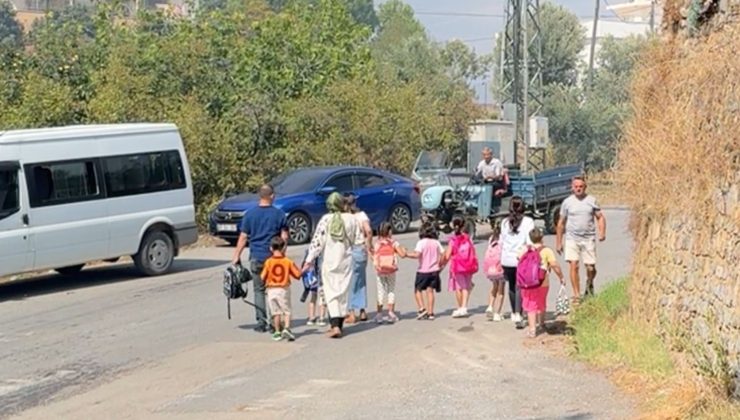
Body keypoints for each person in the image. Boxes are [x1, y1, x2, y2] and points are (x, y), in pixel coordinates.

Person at [231, 184, 289, 333]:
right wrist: (282, 252)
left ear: (260, 196)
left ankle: (261, 322)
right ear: (272, 196)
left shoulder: (250, 214)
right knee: (273, 290)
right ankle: (274, 323)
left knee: (258, 290)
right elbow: (284, 236)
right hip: (273, 259)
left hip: (256, 256)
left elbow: (243, 237)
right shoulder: (279, 214)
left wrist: (236, 256)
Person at [302, 192, 360, 338]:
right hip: (346, 260)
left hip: (329, 261)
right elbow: (358, 240)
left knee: (330, 292)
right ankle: (339, 324)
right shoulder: (352, 219)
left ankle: (334, 325)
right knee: (342, 292)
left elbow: (317, 242)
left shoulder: (325, 219)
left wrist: (308, 261)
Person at [555, 176, 606, 305]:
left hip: (588, 238)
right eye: (576, 187)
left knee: (590, 267)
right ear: (572, 188)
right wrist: (559, 241)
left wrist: (602, 232)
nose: (578, 189)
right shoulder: (567, 202)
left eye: (581, 187)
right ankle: (576, 294)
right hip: (572, 238)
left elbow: (600, 217)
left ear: (585, 187)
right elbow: (561, 223)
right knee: (574, 265)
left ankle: (589, 283)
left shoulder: (591, 201)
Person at [519, 228, 565, 338]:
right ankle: (542, 323)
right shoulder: (547, 251)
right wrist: (561, 277)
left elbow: (518, 260)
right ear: (542, 238)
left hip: (527, 283)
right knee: (541, 302)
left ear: (530, 238)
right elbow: (554, 265)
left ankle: (532, 329)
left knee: (531, 306)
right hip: (543, 281)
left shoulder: (525, 249)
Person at [500, 196, 535, 329]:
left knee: (512, 286)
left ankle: (515, 312)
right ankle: (519, 313)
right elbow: (530, 241)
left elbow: (502, 242)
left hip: (506, 259)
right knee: (520, 285)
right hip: (520, 258)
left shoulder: (504, 222)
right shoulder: (528, 221)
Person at [261, 237, 302, 341]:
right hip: (283, 288)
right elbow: (297, 275)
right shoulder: (287, 261)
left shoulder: (268, 262)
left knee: (276, 312)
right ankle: (287, 328)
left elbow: (262, 276)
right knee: (287, 310)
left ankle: (277, 331)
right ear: (283, 248)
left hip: (271, 289)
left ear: (271, 248)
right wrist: (303, 270)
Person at [404, 223, 445, 321]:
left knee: (417, 290)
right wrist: (440, 264)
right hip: (434, 271)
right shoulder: (436, 242)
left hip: (423, 270)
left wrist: (406, 254)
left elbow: (417, 255)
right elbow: (443, 254)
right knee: (430, 291)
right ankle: (431, 313)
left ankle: (422, 308)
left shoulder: (421, 243)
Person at [371, 222, 406, 324]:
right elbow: (402, 254)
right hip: (391, 270)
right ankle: (391, 313)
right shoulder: (394, 243)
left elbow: (374, 256)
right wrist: (404, 250)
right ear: (389, 231)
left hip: (380, 270)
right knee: (391, 290)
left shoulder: (377, 243)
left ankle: (379, 314)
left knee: (380, 291)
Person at [345, 195, 373, 324]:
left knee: (350, 282)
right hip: (361, 249)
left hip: (351, 250)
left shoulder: (347, 218)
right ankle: (362, 311)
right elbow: (369, 231)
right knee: (361, 281)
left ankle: (351, 313)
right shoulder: (362, 215)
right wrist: (369, 244)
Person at [444, 217, 478, 318]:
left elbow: (447, 255)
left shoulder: (453, 240)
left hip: (457, 267)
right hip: (468, 265)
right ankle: (463, 307)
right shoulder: (467, 238)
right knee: (466, 286)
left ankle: (462, 307)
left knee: (459, 287)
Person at [484, 222, 506, 321]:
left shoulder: (491, 238)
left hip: (491, 268)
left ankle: (490, 306)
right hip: (500, 268)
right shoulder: (503, 239)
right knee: (501, 290)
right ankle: (497, 313)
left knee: (494, 287)